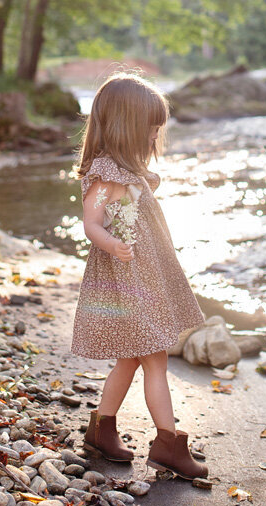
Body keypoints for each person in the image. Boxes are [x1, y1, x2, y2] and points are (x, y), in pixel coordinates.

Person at [70, 71, 208, 481]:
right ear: (126, 127)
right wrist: (112, 245)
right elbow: (91, 223)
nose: (154, 137)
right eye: (150, 130)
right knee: (155, 359)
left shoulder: (126, 175)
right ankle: (168, 443)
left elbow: (131, 217)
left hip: (142, 278)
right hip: (125, 283)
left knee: (129, 359)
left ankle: (102, 430)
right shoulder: (107, 175)